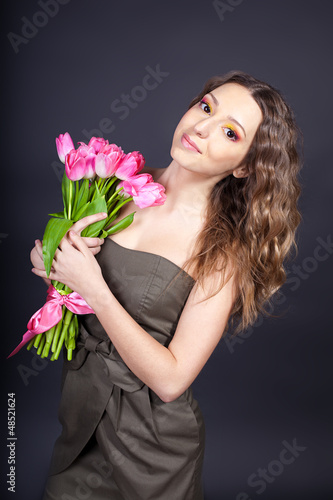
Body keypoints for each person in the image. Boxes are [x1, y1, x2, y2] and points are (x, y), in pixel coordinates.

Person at [30, 71, 302, 499]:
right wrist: (53, 262)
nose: (202, 128)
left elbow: (172, 380)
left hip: (151, 449)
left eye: (230, 133)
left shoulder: (221, 253)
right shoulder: (117, 184)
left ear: (245, 165)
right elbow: (69, 283)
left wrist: (94, 288)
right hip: (81, 416)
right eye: (206, 107)